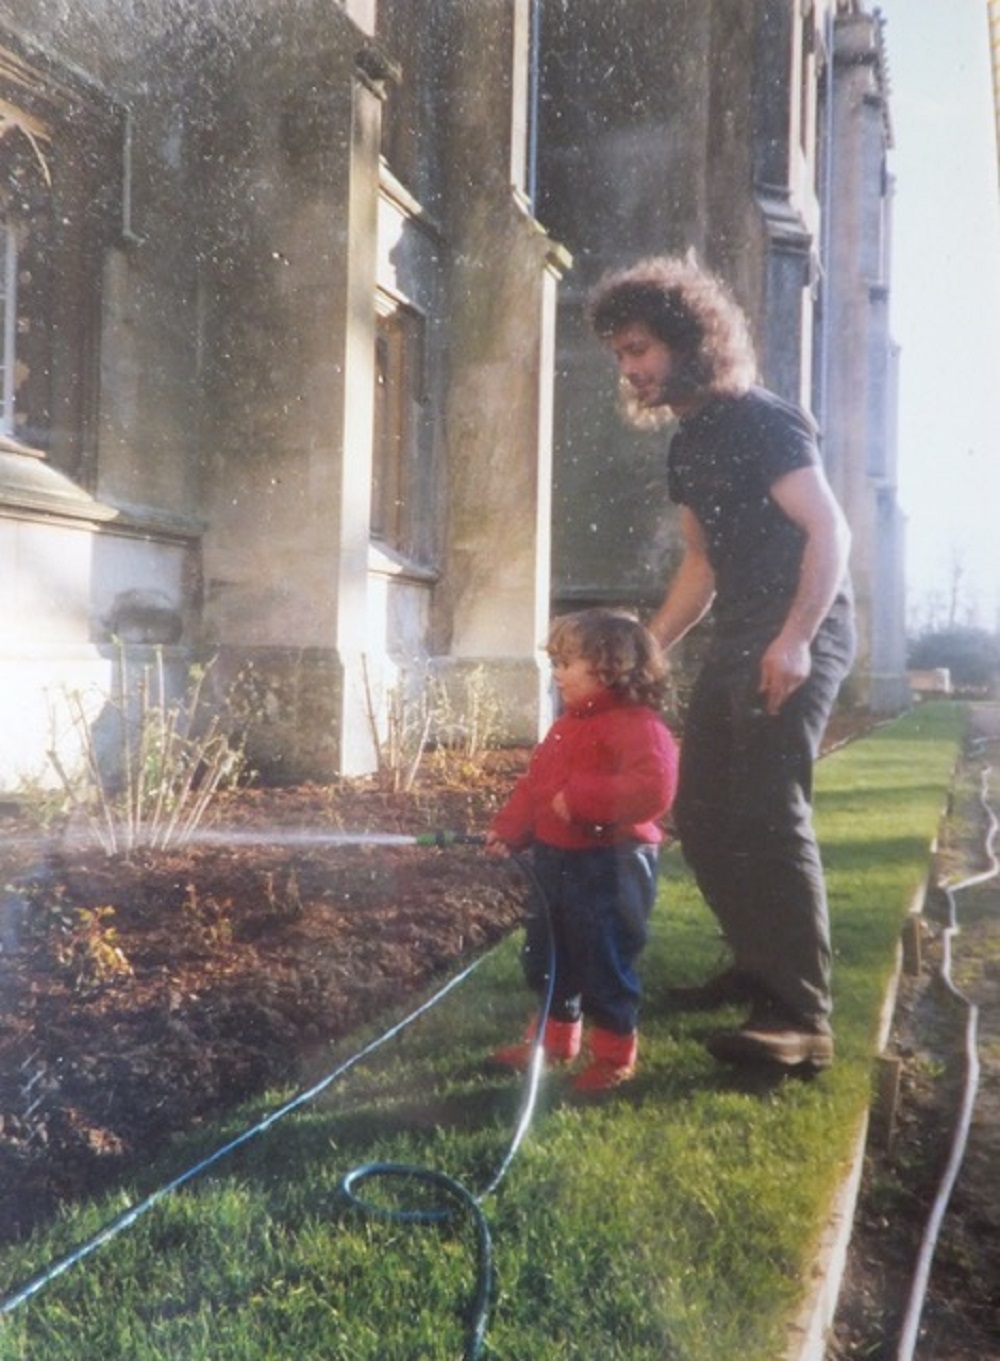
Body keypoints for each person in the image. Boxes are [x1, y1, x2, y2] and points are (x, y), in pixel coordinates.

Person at [589, 254, 856, 1072]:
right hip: (741, 631)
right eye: (620, 357)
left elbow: (830, 532)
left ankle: (801, 1018)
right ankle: (755, 962)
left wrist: (796, 638)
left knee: (770, 811)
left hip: (798, 631)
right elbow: (700, 567)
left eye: (639, 350)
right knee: (701, 810)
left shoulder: (761, 419)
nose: (629, 371)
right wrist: (645, 653)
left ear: (687, 339)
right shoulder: (689, 442)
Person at [485, 608, 679, 1092]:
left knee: (603, 955)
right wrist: (510, 829)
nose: (556, 674)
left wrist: (584, 801)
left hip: (611, 864)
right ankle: (554, 1040)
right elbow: (535, 787)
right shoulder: (565, 727)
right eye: (556, 662)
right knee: (549, 952)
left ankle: (614, 1054)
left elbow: (654, 788)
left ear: (610, 665)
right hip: (556, 860)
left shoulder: (638, 727)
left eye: (567, 663)